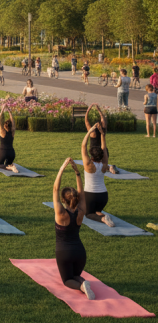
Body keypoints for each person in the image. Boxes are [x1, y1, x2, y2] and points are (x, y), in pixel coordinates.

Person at [52, 158, 94, 300]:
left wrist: (62, 168)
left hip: (64, 253)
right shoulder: (81, 211)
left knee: (67, 280)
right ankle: (83, 282)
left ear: (63, 200)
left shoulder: (61, 213)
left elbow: (55, 189)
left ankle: (81, 286)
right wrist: (77, 173)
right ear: (75, 198)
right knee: (76, 275)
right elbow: (82, 192)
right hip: (80, 253)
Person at [81, 123, 114, 227]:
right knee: (97, 210)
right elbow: (104, 149)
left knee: (88, 214)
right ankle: (102, 215)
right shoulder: (104, 164)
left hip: (90, 195)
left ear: (92, 157)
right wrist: (102, 134)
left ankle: (103, 218)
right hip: (103, 196)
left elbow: (83, 146)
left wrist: (89, 131)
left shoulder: (88, 165)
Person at [0, 105, 18, 173]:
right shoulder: (12, 132)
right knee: (8, 164)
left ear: (5, 125)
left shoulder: (2, 132)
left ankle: (11, 168)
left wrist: (2, 110)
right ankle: (11, 165)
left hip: (3, 152)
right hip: (12, 153)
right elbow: (13, 121)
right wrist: (9, 112)